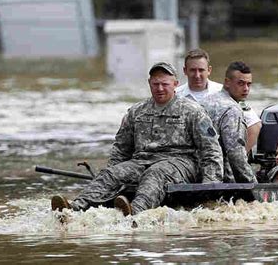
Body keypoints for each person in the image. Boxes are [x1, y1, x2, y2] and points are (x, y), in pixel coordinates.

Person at [51, 62, 224, 216]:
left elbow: (210, 149)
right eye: (156, 84)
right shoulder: (136, 111)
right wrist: (114, 173)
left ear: (175, 85)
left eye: (165, 84)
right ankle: (73, 210)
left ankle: (135, 212)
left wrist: (210, 185)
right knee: (112, 174)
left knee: (156, 173)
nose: (160, 88)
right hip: (142, 161)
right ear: (149, 84)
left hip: (180, 163)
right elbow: (121, 148)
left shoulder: (193, 111)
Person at [176, 48, 262, 152]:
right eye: (193, 70)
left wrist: (239, 158)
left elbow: (254, 125)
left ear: (209, 70)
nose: (197, 75)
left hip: (220, 156)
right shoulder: (175, 96)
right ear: (185, 71)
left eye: (201, 70)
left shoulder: (226, 92)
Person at [201, 61, 258, 183]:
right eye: (241, 83)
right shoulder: (232, 110)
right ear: (227, 82)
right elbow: (236, 155)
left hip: (195, 172)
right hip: (216, 177)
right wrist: (253, 185)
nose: (246, 89)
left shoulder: (205, 101)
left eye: (249, 84)